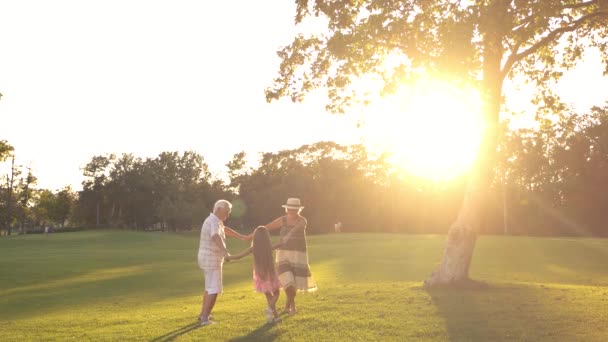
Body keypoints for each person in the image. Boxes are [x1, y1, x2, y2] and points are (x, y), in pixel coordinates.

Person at [250, 198, 317, 315]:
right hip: (282, 254)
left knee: (293, 284)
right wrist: (251, 235)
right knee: (287, 280)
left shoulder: (302, 220)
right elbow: (266, 227)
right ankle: (290, 306)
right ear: (287, 209)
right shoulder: (283, 220)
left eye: (295, 209)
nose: (292, 211)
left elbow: (295, 229)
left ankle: (290, 305)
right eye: (290, 209)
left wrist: (288, 236)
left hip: (298, 255)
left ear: (298, 210)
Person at [197, 199, 250, 326]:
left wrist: (241, 236)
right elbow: (215, 235)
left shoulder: (214, 220)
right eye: (226, 212)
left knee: (209, 287)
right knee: (214, 289)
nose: (227, 215)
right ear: (219, 209)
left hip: (206, 258)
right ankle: (205, 318)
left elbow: (224, 229)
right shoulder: (214, 221)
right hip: (212, 259)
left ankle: (203, 314)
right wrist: (225, 252)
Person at [227, 226, 283, 323]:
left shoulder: (253, 249)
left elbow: (239, 256)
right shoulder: (269, 247)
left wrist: (228, 257)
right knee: (277, 293)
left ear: (255, 237)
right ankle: (271, 310)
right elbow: (279, 245)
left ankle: (273, 317)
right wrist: (283, 241)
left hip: (260, 275)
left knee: (269, 296)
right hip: (270, 273)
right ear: (267, 237)